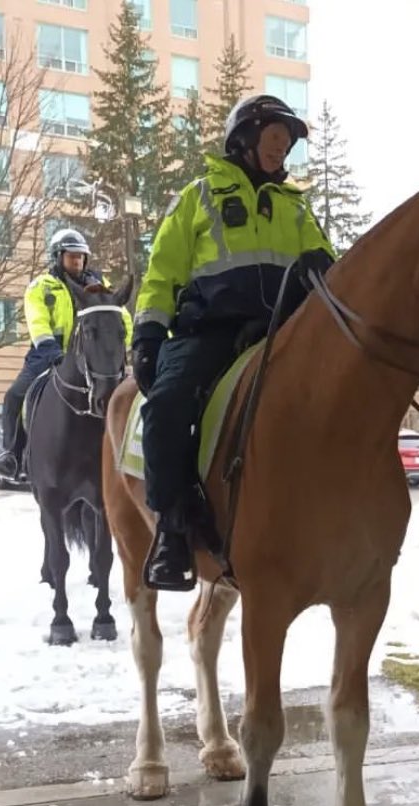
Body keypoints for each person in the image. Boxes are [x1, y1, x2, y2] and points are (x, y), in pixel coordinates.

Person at [130, 93, 336, 591]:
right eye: (273, 137)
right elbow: (162, 273)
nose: (281, 149)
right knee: (165, 406)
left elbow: (329, 266)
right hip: (209, 334)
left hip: (278, 337)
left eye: (287, 143)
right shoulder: (198, 197)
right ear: (243, 138)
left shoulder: (296, 208)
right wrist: (149, 334)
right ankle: (173, 533)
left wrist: (324, 266)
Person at [0, 228, 125, 482]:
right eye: (71, 256)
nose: (77, 261)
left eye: (81, 257)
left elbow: (120, 319)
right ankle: (12, 455)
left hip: (94, 359)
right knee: (14, 397)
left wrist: (120, 348)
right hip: (49, 355)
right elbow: (37, 321)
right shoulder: (41, 286)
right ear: (58, 257)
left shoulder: (99, 286)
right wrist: (50, 349)